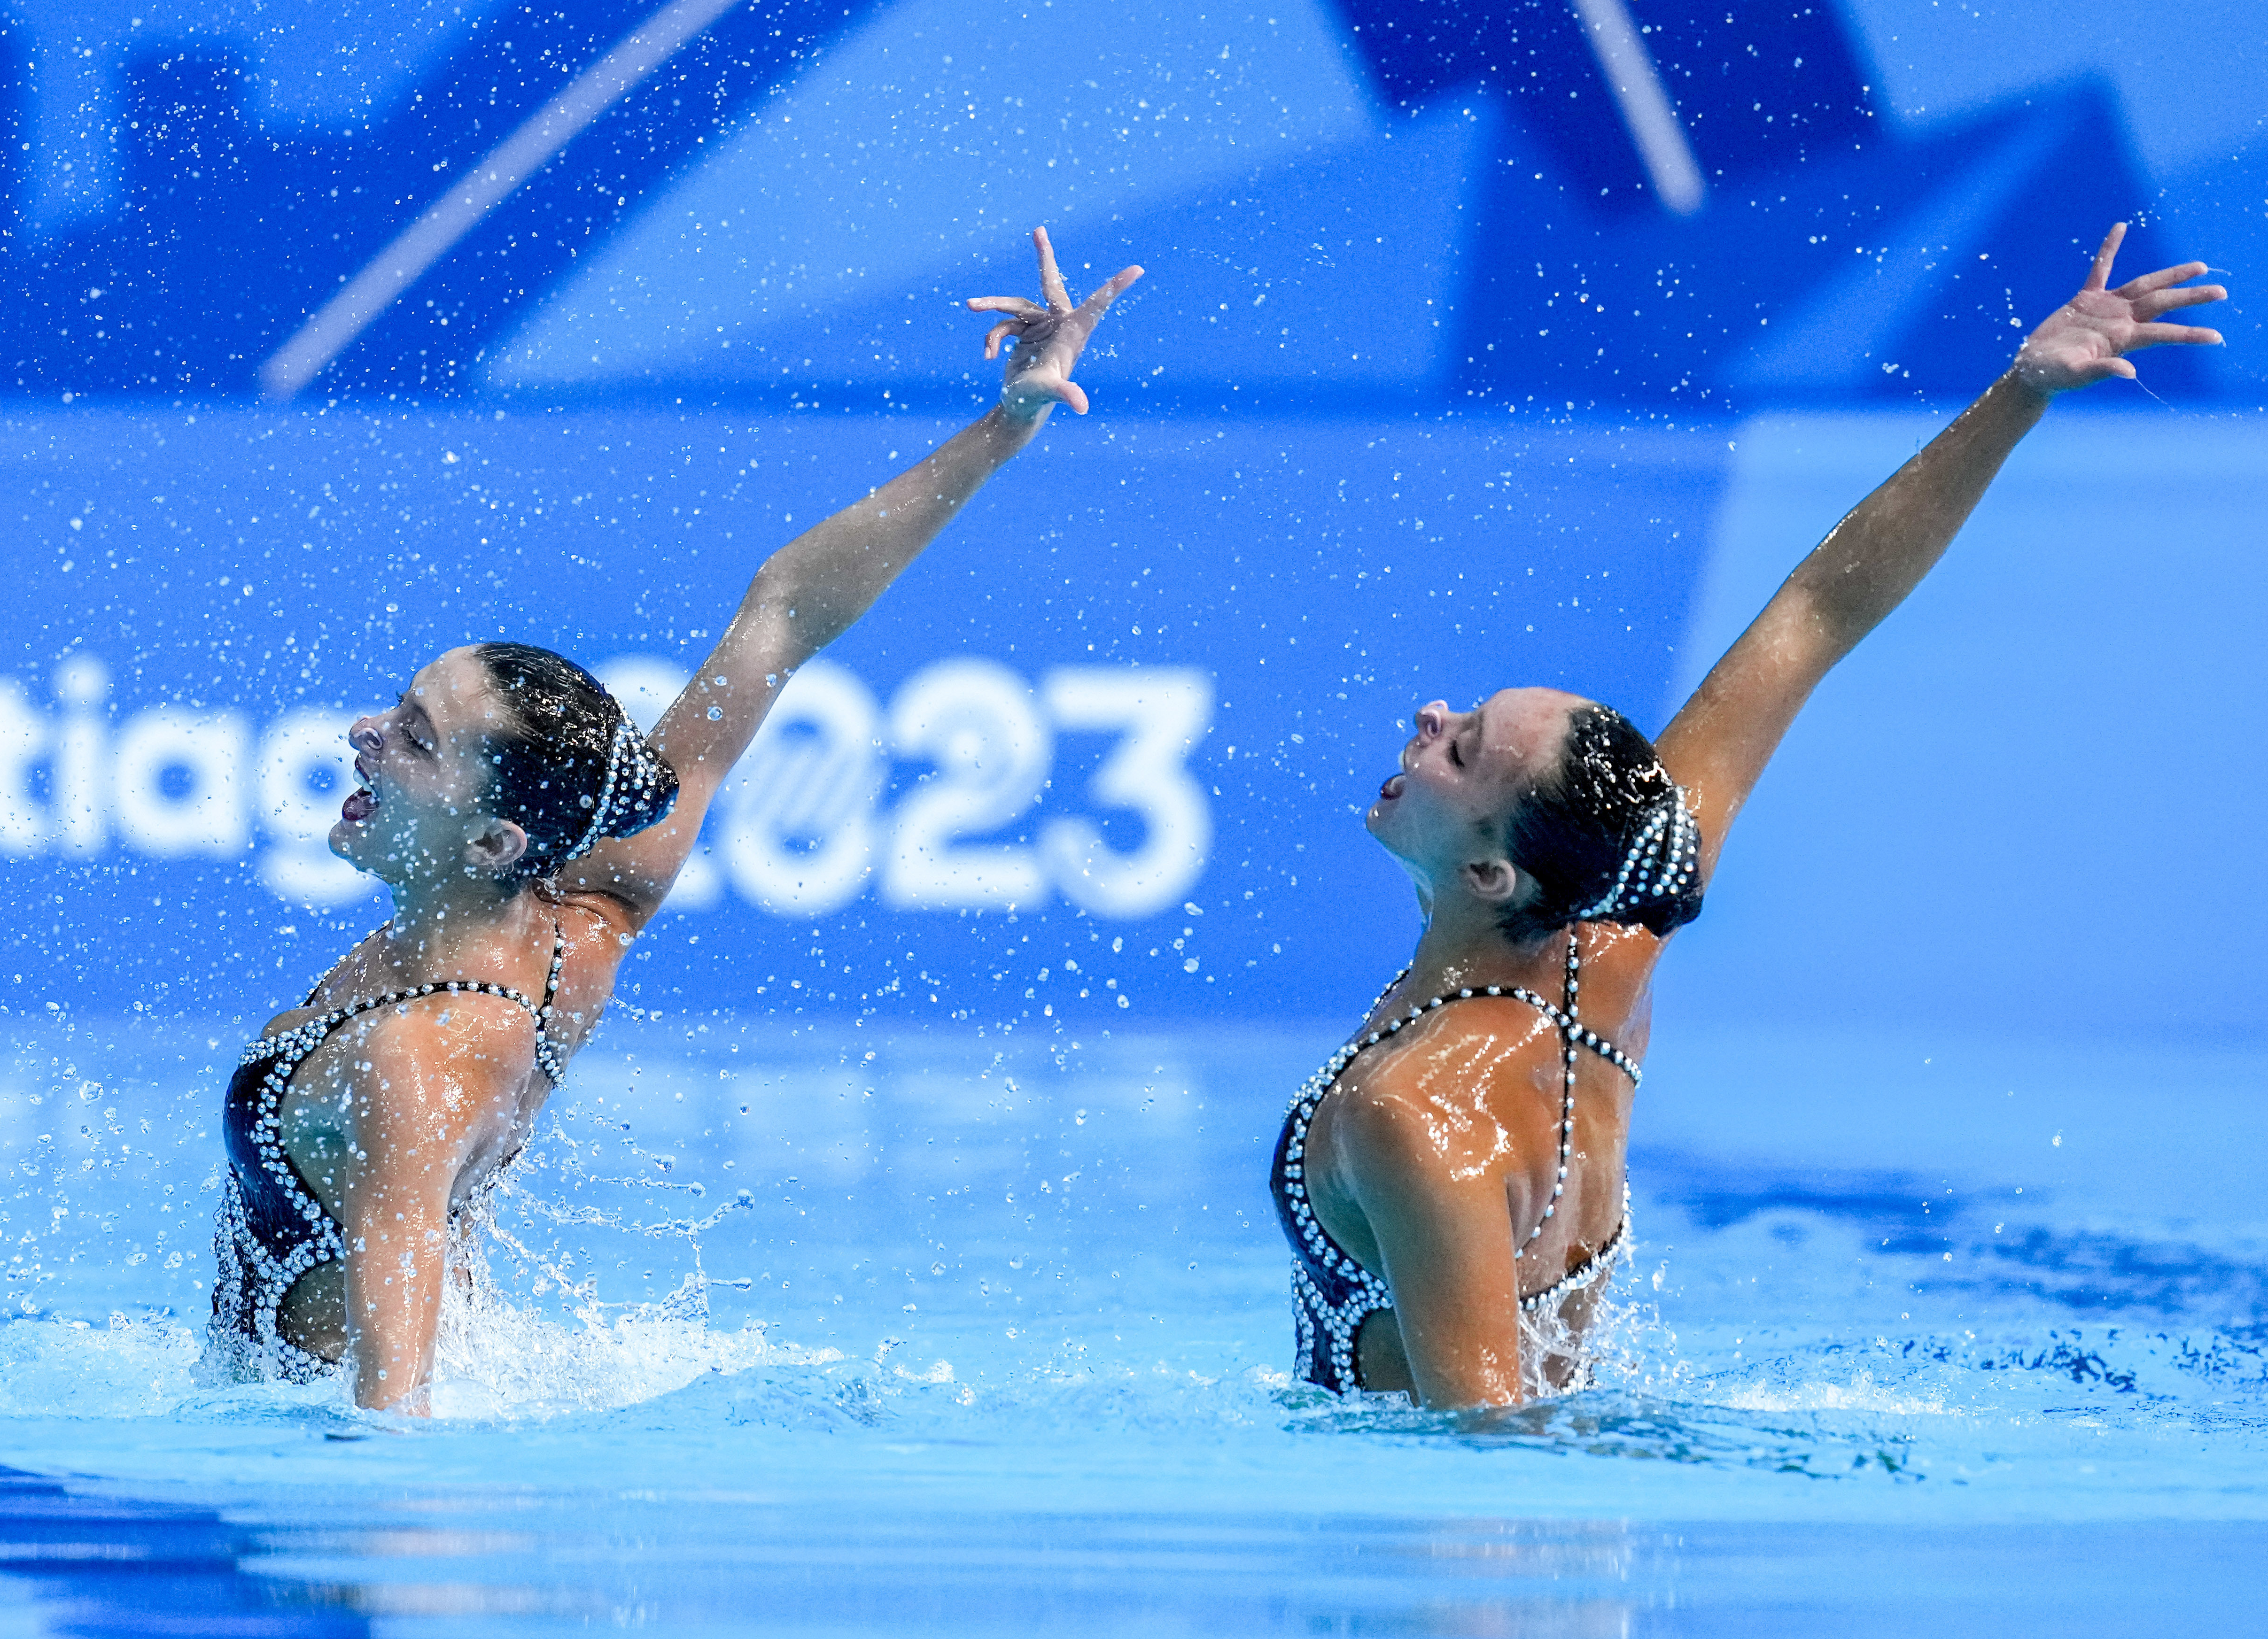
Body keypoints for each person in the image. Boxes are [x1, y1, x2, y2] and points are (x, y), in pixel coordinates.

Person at [1281, 224, 2227, 1406]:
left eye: (1463, 746)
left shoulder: (1422, 1112)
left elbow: (1486, 1457)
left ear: (1492, 875)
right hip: (1575, 1539)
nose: (1427, 717)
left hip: (1481, 1556)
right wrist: (2018, 396)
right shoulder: (1610, 941)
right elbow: (1816, 615)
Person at [212, 228, 1144, 1410]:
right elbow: (785, 612)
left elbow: (394, 1419)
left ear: (498, 841)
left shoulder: (426, 1057)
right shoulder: (586, 909)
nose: (363, 734)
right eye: (397, 710)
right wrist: (1010, 424)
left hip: (284, 1460)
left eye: (415, 737)